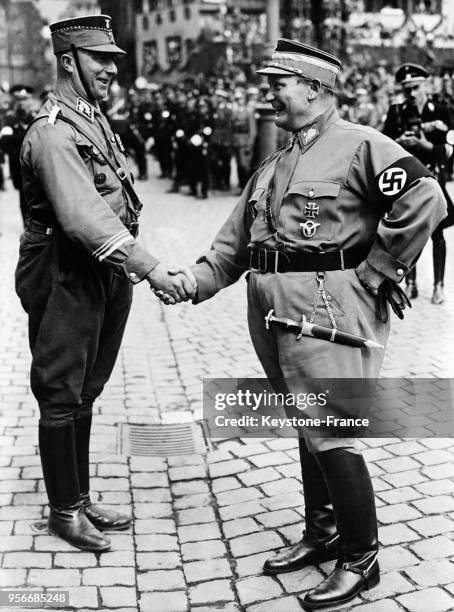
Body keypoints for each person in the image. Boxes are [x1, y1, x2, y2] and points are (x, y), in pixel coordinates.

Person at [158, 40, 447, 609]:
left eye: (277, 83)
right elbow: (232, 245)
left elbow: (427, 198)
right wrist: (191, 281)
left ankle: (361, 558)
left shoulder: (362, 145)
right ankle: (323, 532)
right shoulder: (273, 163)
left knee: (333, 425)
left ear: (314, 89)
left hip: (329, 312)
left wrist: (378, 270)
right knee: (305, 420)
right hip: (270, 310)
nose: (268, 92)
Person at [15, 15, 195, 553]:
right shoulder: (52, 131)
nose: (112, 71)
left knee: (87, 387)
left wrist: (129, 267)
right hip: (65, 269)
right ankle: (64, 512)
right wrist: (152, 267)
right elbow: (82, 216)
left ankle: (80, 496)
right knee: (60, 389)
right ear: (68, 60)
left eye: (114, 61)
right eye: (101, 60)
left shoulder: (92, 119)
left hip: (103, 270)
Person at [383, 63, 454, 304]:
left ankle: (439, 285)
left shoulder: (442, 110)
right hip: (408, 183)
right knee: (409, 234)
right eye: (407, 89)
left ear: (427, 85)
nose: (412, 93)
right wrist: (398, 142)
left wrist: (424, 145)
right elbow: (383, 146)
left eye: (416, 87)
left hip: (434, 179)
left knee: (437, 234)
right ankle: (409, 282)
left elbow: (450, 149)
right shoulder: (397, 111)